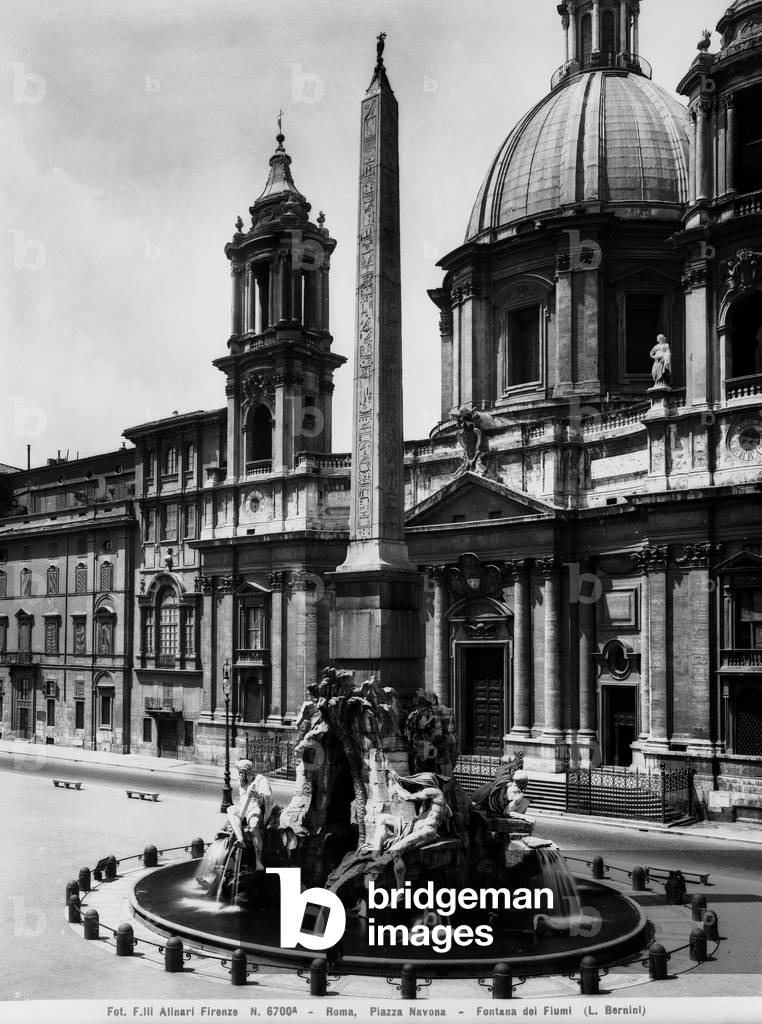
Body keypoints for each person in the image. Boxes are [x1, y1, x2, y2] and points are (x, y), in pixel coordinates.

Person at [227, 758, 273, 871]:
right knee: (230, 810)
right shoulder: (241, 781)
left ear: (248, 772)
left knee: (253, 826)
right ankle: (241, 839)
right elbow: (242, 798)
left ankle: (258, 861)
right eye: (239, 773)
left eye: (242, 773)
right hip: (243, 808)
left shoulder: (260, 780)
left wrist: (257, 795)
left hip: (254, 808)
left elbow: (267, 798)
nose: (240, 776)